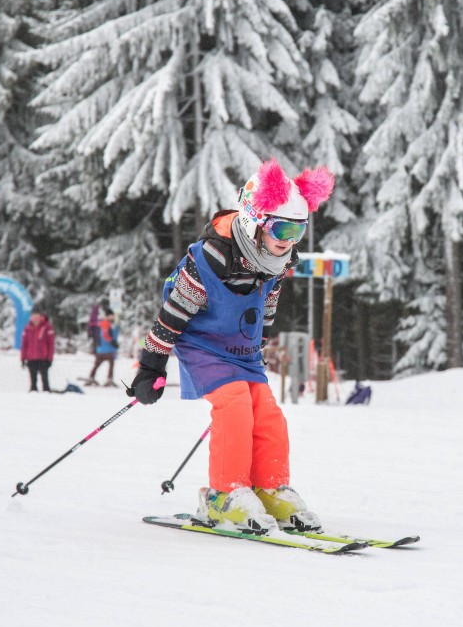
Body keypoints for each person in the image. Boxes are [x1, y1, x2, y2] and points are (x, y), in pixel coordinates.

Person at [128, 159, 334, 534]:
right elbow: (172, 314)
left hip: (240, 348)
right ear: (256, 220)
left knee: (268, 412)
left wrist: (259, 347)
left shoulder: (276, 259)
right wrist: (151, 366)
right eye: (283, 228)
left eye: (298, 230)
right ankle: (224, 495)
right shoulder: (211, 257)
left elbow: (266, 307)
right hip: (200, 342)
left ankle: (269, 487)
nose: (289, 239)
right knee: (235, 404)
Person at [20, 312, 56, 392]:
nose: (35, 319)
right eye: (33, 317)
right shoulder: (27, 328)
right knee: (33, 377)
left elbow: (51, 344)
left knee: (44, 377)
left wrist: (50, 358)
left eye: (37, 317)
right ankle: (33, 390)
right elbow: (24, 344)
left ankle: (46, 391)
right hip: (31, 357)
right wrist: (23, 358)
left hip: (43, 357)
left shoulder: (47, 327)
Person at [86, 308, 118, 386]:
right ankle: (109, 379)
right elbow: (104, 335)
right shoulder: (105, 323)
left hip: (101, 349)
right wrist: (112, 342)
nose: (113, 317)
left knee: (98, 364)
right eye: (112, 315)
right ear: (109, 315)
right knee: (110, 363)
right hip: (105, 349)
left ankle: (91, 377)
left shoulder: (101, 323)